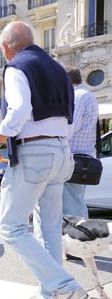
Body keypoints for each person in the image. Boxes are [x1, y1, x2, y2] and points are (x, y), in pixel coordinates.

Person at [0, 21, 86, 299]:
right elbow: (70, 121)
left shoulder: (17, 67)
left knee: (11, 228)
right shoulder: (59, 72)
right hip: (61, 152)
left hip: (35, 153)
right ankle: (47, 296)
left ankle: (64, 286)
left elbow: (19, 111)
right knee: (49, 229)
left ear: (6, 48)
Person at [62, 67, 98, 219]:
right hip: (84, 158)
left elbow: (70, 127)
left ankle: (78, 237)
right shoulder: (88, 95)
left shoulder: (76, 96)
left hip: (73, 158)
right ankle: (83, 236)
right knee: (77, 201)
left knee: (71, 205)